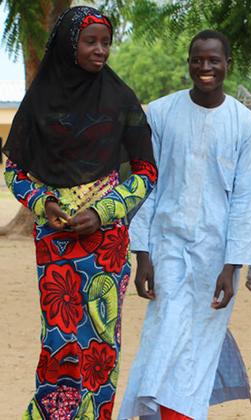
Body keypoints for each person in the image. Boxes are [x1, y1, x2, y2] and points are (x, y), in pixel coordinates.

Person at [2, 6, 157, 419]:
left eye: (106, 42)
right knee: (59, 342)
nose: (101, 49)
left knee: (101, 345)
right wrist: (44, 203)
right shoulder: (40, 101)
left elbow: (146, 172)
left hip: (106, 245)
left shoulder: (121, 100)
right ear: (69, 45)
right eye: (91, 41)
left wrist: (103, 212)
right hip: (55, 244)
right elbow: (14, 171)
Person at [117, 30, 251, 420]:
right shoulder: (161, 113)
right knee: (163, 333)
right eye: (198, 60)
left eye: (214, 60)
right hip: (165, 247)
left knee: (198, 345)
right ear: (188, 63)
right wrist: (142, 255)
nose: (205, 67)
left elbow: (247, 200)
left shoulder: (246, 126)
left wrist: (232, 267)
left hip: (216, 257)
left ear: (227, 64)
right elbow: (146, 185)